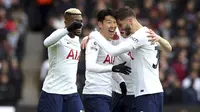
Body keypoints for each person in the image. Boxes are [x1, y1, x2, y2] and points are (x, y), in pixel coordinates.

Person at [88, 7, 172, 112]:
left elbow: (113, 51)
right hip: (153, 91)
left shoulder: (139, 36)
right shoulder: (148, 33)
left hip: (146, 92)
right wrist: (159, 38)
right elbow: (169, 48)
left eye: (120, 25)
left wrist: (94, 35)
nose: (119, 28)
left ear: (130, 21)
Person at [82, 8, 131, 112]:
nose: (113, 25)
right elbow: (90, 66)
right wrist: (114, 68)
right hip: (94, 93)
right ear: (100, 24)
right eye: (109, 22)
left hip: (106, 93)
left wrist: (120, 81)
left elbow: (107, 67)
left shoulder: (111, 44)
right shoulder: (94, 42)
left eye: (114, 22)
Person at [37, 8, 84, 112]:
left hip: (71, 93)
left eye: (81, 21)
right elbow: (46, 42)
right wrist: (67, 29)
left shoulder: (77, 40)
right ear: (66, 23)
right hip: (53, 92)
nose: (79, 25)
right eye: (76, 22)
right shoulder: (59, 35)